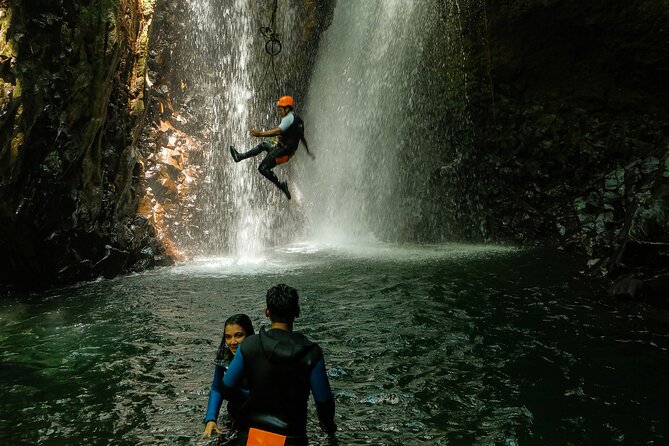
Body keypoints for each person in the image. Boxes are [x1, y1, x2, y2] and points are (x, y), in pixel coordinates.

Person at [215, 284, 336, 445]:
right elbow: (323, 403)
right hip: (292, 438)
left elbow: (226, 389)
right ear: (297, 312)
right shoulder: (311, 353)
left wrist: (252, 397)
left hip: (250, 435)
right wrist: (329, 429)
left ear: (267, 312)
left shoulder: (249, 345)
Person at [229, 95, 315, 200]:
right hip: (286, 153)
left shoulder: (288, 118)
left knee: (262, 168)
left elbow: (278, 131)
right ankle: (240, 156)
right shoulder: (299, 121)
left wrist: (261, 133)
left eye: (280, 109)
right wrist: (308, 151)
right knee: (264, 145)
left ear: (287, 108)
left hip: (281, 151)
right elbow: (302, 138)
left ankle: (281, 185)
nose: (279, 112)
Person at [202, 313, 255, 439]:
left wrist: (232, 390)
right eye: (228, 337)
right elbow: (216, 388)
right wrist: (211, 419)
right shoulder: (224, 356)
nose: (233, 342)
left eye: (239, 335)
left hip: (256, 420)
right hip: (234, 416)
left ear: (249, 335)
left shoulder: (259, 357)